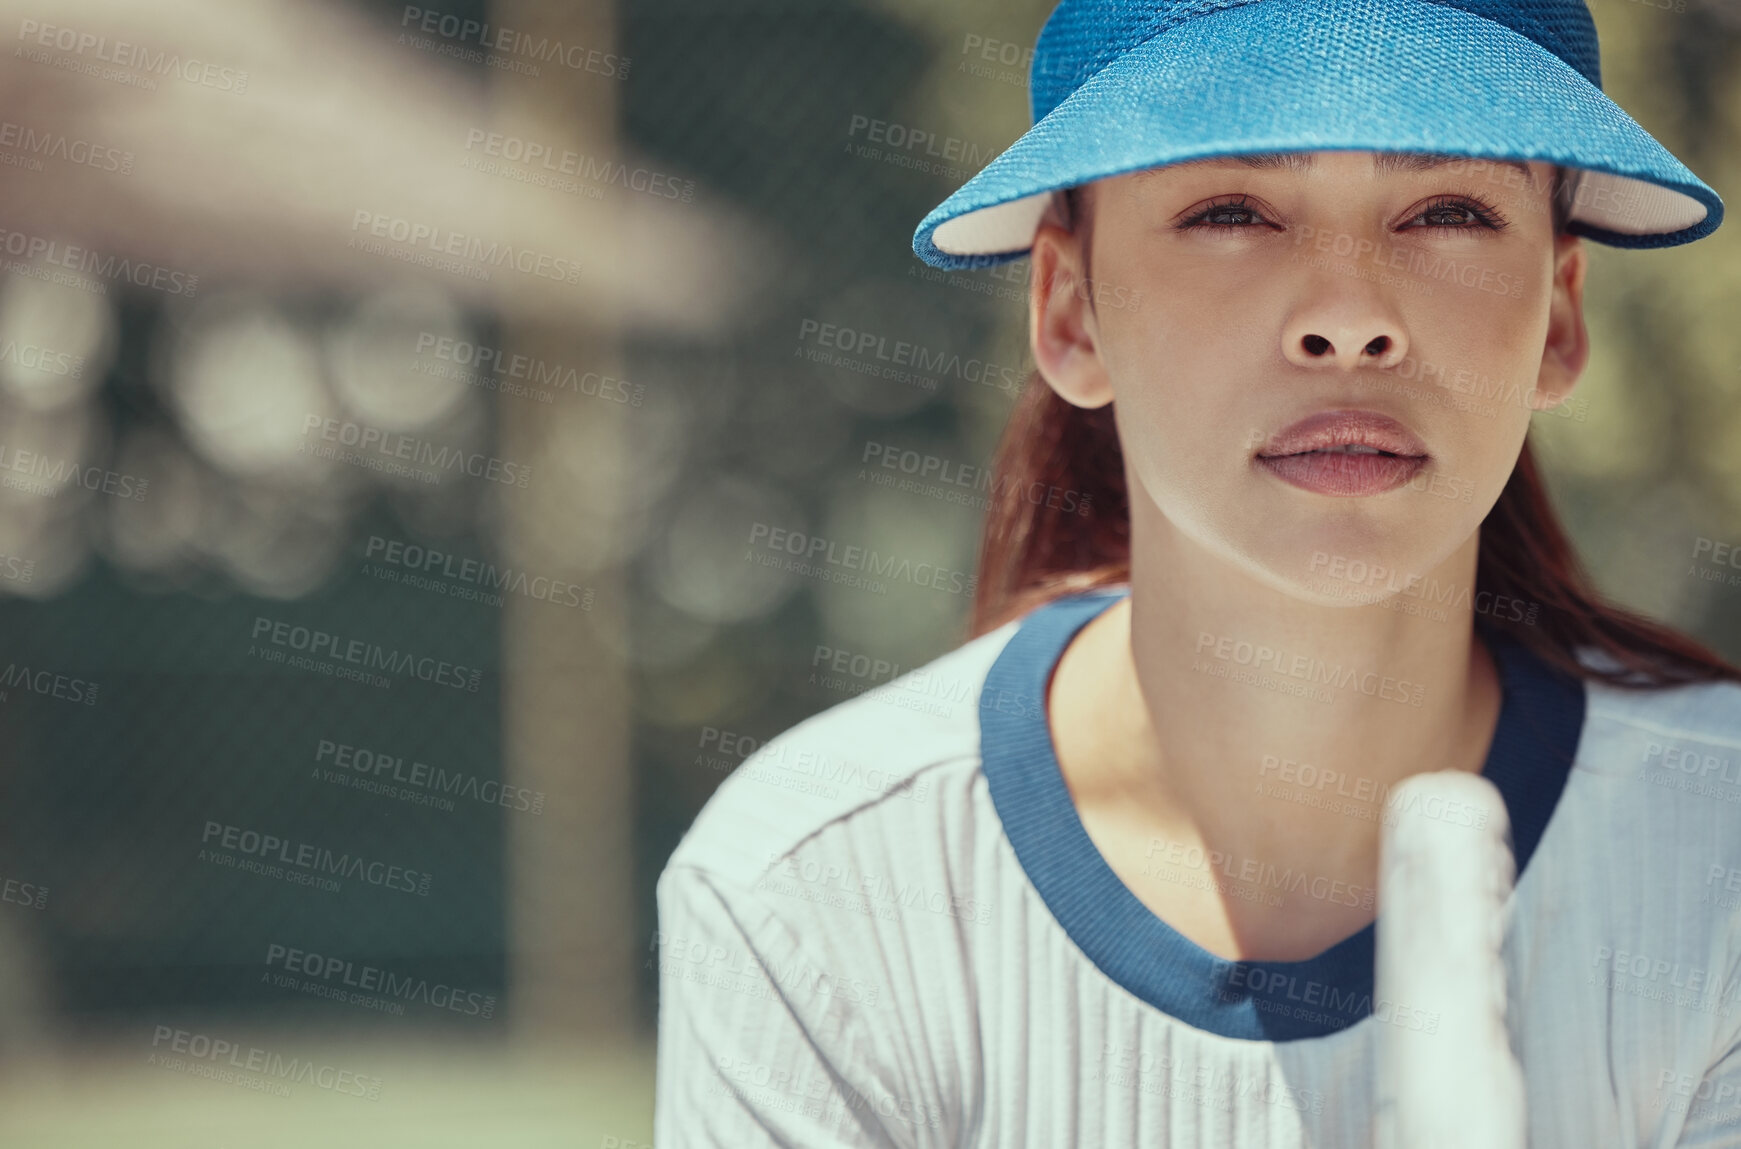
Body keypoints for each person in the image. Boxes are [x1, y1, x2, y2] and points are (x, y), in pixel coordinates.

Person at [654, 1, 1741, 1145]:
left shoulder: (1715, 857)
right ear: (1070, 310)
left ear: (1559, 316)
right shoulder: (813, 886)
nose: (1349, 318)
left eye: (1447, 212)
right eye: (1231, 211)